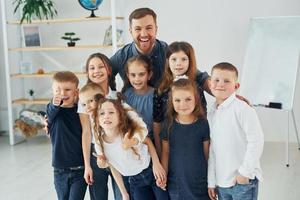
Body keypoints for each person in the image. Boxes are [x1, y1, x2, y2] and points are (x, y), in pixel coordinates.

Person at [78, 54, 148, 200]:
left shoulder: (118, 97)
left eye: (100, 66)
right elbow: (86, 133)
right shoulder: (84, 100)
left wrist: (133, 142)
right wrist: (87, 165)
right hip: (99, 154)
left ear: (109, 70)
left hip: (120, 152)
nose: (96, 71)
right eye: (92, 68)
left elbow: (135, 126)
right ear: (87, 72)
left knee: (121, 194)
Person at [92, 96, 168, 200]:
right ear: (97, 120)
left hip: (151, 171)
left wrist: (156, 164)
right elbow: (113, 168)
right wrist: (124, 193)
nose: (106, 116)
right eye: (102, 113)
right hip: (135, 181)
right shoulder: (100, 144)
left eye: (111, 112)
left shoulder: (128, 133)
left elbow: (147, 141)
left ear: (120, 117)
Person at [207, 62, 264, 200]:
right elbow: (212, 150)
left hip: (242, 181)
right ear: (209, 84)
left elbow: (256, 141)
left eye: (227, 81)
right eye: (216, 80)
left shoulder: (242, 109)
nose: (220, 84)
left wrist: (244, 173)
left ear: (236, 86)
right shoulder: (211, 113)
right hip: (222, 184)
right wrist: (212, 182)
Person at [153, 41, 209, 155]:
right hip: (168, 144)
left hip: (192, 143)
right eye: (174, 59)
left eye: (184, 59)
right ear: (168, 62)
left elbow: (203, 117)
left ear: (190, 61)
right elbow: (157, 122)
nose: (179, 63)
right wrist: (158, 150)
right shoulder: (161, 88)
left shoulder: (196, 88)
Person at [160, 78, 210, 200]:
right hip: (176, 183)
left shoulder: (203, 124)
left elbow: (207, 154)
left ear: (196, 100)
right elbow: (165, 153)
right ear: (172, 101)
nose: (183, 105)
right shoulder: (168, 124)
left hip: (200, 183)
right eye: (177, 100)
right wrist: (163, 176)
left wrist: (211, 181)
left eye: (188, 99)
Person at [46, 71, 87, 200]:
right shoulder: (52, 110)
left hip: (80, 169)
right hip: (60, 170)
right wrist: (54, 104)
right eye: (58, 90)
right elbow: (50, 112)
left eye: (67, 89)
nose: (62, 94)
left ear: (76, 91)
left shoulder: (80, 111)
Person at [109, 7, 168, 90]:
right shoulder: (121, 56)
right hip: (132, 102)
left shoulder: (168, 53)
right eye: (138, 29)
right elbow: (104, 75)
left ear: (156, 29)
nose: (143, 34)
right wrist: (113, 95)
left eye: (148, 28)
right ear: (131, 31)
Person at [122, 55, 155, 141]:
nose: (137, 79)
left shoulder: (156, 96)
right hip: (131, 141)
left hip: (151, 142)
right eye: (133, 75)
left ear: (149, 75)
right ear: (128, 75)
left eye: (141, 74)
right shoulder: (126, 96)